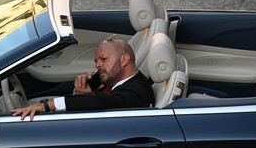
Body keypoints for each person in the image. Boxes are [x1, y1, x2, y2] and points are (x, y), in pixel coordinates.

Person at [12, 38, 155, 120]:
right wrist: (83, 92)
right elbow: (96, 97)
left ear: (124, 60)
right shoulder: (118, 79)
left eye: (103, 59)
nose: (97, 64)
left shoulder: (137, 92)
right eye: (96, 60)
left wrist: (47, 105)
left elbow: (101, 101)